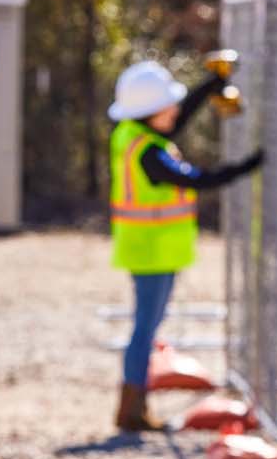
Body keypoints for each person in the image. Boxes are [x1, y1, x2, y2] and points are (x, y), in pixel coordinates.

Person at [108, 60, 263, 432]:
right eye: (168, 105)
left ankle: (134, 405)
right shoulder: (148, 152)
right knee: (145, 329)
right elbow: (193, 179)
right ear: (151, 111)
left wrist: (212, 83)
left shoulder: (134, 134)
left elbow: (180, 118)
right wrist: (242, 168)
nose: (176, 111)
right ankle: (131, 410)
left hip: (150, 249)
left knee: (147, 327)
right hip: (151, 251)